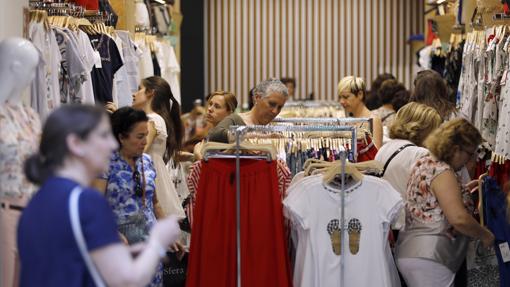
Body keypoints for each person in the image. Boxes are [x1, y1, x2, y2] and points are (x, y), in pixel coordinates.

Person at [18, 105, 181, 287]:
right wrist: (158, 241)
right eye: (104, 136)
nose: (112, 144)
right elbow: (127, 278)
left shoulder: (39, 198)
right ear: (76, 144)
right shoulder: (85, 201)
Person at [396, 118, 495, 287]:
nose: (470, 160)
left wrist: (462, 190)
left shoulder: (425, 162)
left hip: (412, 250)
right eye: (470, 154)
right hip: (432, 255)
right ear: (456, 149)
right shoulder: (443, 172)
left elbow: (432, 204)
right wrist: (485, 235)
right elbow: (458, 218)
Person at [93, 107, 168, 286]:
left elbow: (154, 202)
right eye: (139, 136)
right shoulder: (105, 163)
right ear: (121, 137)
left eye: (146, 135)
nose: (145, 141)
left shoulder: (147, 161)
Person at [0, 37, 41, 287]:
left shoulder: (30, 116)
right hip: (4, 213)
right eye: (32, 68)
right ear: (15, 66)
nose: (33, 76)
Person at [375, 102, 442, 231]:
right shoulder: (420, 154)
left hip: (386, 224)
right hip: (408, 227)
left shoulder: (384, 148)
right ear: (425, 129)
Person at [131, 76, 185, 218]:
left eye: (139, 90)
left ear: (150, 93)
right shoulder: (155, 119)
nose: (134, 94)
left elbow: (139, 149)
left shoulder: (152, 120)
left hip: (150, 176)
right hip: (154, 174)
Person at [208, 78, 288, 143]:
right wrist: (261, 137)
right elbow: (214, 135)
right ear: (257, 98)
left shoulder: (276, 129)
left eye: (280, 107)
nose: (275, 111)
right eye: (272, 104)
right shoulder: (236, 120)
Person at [337, 76, 383, 148]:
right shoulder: (347, 121)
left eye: (346, 97)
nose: (341, 101)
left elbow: (375, 154)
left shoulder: (373, 120)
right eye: (340, 97)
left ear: (360, 94)